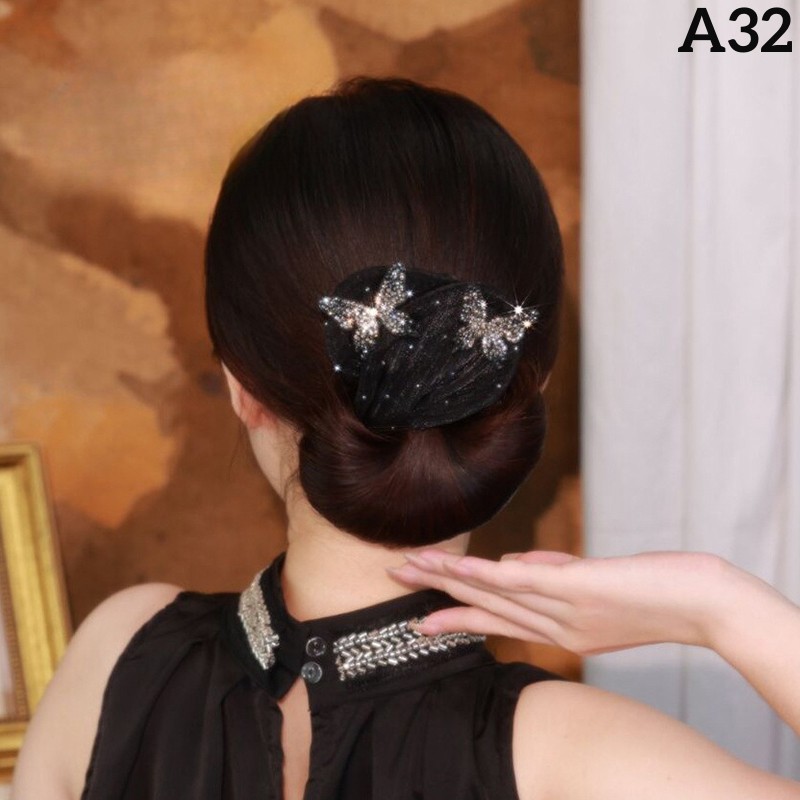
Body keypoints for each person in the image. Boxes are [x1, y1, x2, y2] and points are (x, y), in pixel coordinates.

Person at [10, 76, 800, 800]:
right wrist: (717, 605)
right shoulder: (577, 757)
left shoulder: (117, 656)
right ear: (531, 384)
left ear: (242, 387)